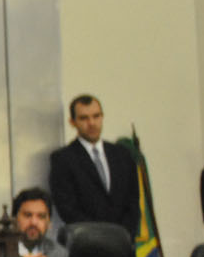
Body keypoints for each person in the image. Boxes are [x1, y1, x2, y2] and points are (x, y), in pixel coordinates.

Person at [48, 95, 140, 238]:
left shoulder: (123, 155)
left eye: (96, 116)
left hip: (123, 246)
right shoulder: (63, 159)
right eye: (84, 118)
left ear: (102, 117)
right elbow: (68, 209)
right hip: (87, 246)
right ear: (72, 122)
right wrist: (101, 237)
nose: (91, 123)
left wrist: (123, 236)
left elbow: (133, 203)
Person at [13, 187, 67, 257]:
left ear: (49, 223)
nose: (34, 222)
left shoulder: (58, 254)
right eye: (28, 215)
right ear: (14, 220)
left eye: (41, 216)